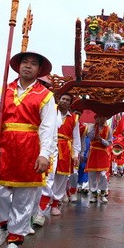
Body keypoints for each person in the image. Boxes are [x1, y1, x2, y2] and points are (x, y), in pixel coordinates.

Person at [0, 50, 56, 248]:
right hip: (5, 146)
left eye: (33, 63)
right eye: (25, 62)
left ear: (39, 70)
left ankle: (15, 238)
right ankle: (4, 224)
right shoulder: (3, 90)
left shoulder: (45, 95)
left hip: (30, 146)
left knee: (24, 198)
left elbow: (48, 127)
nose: (28, 66)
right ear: (18, 66)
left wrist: (45, 154)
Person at [33, 92, 81, 225]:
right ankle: (40, 210)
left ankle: (54, 204)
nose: (64, 101)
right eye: (62, 99)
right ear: (58, 100)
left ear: (70, 103)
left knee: (61, 178)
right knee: (47, 177)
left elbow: (76, 137)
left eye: (67, 100)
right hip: (49, 146)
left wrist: (76, 154)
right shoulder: (50, 110)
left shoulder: (74, 118)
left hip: (66, 148)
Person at [85, 115, 113, 203]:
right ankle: (93, 193)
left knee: (103, 174)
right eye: (101, 117)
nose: (103, 119)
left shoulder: (109, 129)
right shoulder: (91, 127)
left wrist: (101, 140)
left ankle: (103, 193)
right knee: (92, 174)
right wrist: (94, 127)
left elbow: (109, 143)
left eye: (104, 117)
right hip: (93, 152)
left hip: (102, 153)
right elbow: (90, 137)